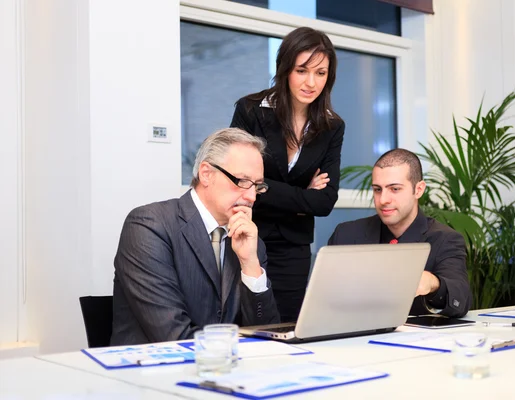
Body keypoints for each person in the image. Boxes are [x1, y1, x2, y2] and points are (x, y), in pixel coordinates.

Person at [111, 128, 280, 345]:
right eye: (241, 181)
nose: (251, 196)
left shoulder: (250, 241)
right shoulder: (149, 225)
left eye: (257, 186)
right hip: (153, 370)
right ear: (206, 174)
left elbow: (267, 335)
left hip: (228, 370)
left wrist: (250, 264)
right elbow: (173, 336)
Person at [230, 27, 345, 322]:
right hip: (247, 235)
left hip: (295, 247)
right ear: (285, 69)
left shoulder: (332, 126)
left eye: (320, 73)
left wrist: (265, 187)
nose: (311, 82)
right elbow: (238, 179)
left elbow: (325, 202)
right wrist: (303, 193)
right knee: (244, 321)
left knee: (287, 325)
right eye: (302, 70)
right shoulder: (251, 110)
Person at [327, 149, 471, 318]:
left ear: (418, 190)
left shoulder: (445, 239)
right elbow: (324, 297)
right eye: (377, 189)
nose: (383, 200)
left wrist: (434, 285)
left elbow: (461, 300)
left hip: (415, 341)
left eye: (394, 189)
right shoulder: (345, 235)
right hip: (348, 337)